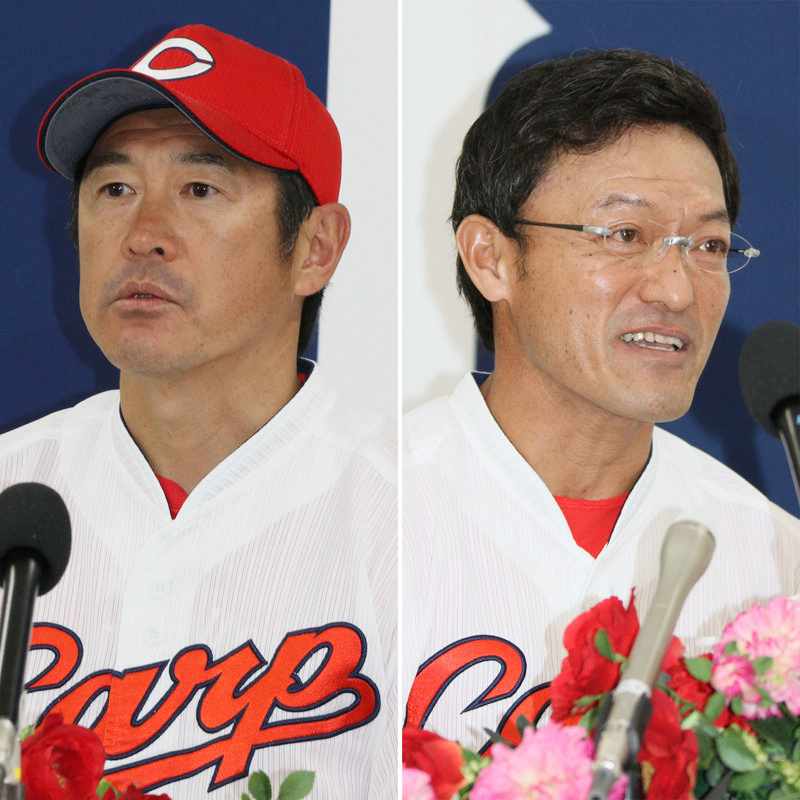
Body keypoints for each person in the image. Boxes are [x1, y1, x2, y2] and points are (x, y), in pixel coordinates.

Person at [1, 25, 396, 798]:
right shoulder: (12, 489)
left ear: (315, 248)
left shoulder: (409, 517)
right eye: (115, 190)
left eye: (200, 190)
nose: (144, 237)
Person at [403, 49, 800, 751]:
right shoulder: (358, 512)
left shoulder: (777, 564)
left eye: (709, 245)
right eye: (624, 236)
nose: (676, 290)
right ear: (491, 258)